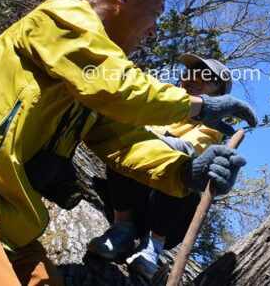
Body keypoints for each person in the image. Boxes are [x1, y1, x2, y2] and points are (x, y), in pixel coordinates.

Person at [0, 0, 257, 285]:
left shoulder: (92, 85)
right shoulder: (63, 16)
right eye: (155, 15)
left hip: (14, 225)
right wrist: (201, 106)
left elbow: (124, 141)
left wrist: (187, 173)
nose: (153, 33)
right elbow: (116, 86)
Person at [87, 53, 236, 280]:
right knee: (128, 148)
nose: (195, 78)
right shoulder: (163, 104)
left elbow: (189, 150)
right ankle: (122, 228)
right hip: (125, 200)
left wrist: (140, 136)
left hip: (166, 215)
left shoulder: (211, 128)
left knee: (186, 168)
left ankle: (153, 245)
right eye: (192, 72)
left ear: (219, 96)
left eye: (207, 77)